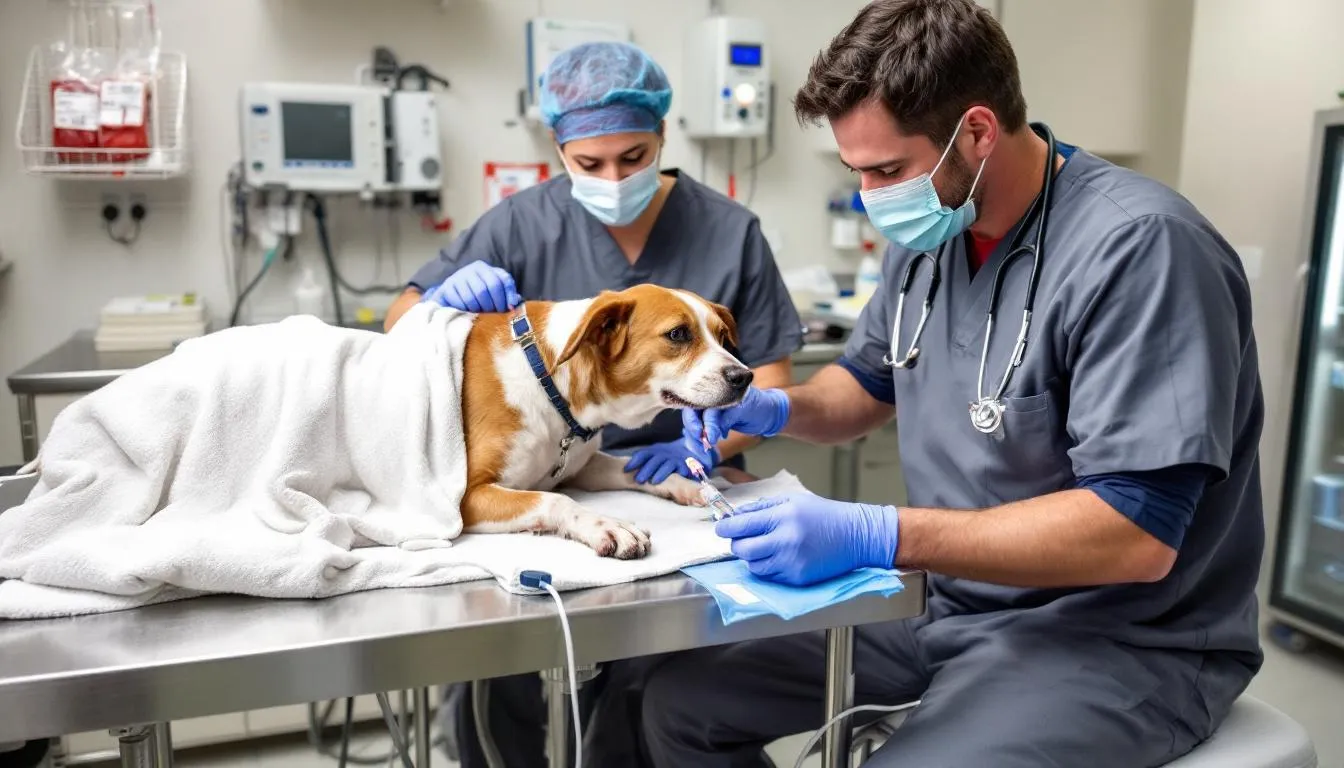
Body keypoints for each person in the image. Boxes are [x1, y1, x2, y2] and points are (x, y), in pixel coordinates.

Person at [635, 1, 1266, 766]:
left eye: (888, 170)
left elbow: (1135, 536)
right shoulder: (934, 230)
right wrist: (771, 409)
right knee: (681, 706)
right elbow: (865, 387)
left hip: (1116, 640)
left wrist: (878, 533)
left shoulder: (1142, 251)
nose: (872, 196)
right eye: (857, 172)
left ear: (975, 131)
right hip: (948, 598)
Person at [384, 40, 803, 767]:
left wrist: (708, 445)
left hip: (677, 489)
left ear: (663, 135)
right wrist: (440, 304)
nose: (614, 177)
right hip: (540, 486)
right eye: (590, 163)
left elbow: (764, 380)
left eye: (635, 157)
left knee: (652, 680)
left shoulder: (729, 230)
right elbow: (401, 326)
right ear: (559, 147)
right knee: (500, 676)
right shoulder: (520, 224)